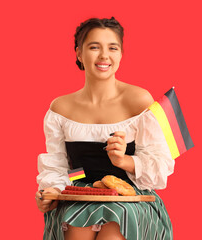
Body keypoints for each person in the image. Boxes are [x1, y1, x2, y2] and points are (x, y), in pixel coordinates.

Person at [35, 17, 175, 240]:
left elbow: (161, 164)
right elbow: (63, 168)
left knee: (116, 223)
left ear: (121, 54)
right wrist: (51, 191)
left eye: (112, 48)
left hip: (131, 198)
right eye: (94, 47)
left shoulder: (139, 101)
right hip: (80, 194)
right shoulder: (60, 109)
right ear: (79, 54)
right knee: (74, 224)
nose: (104, 56)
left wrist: (123, 161)